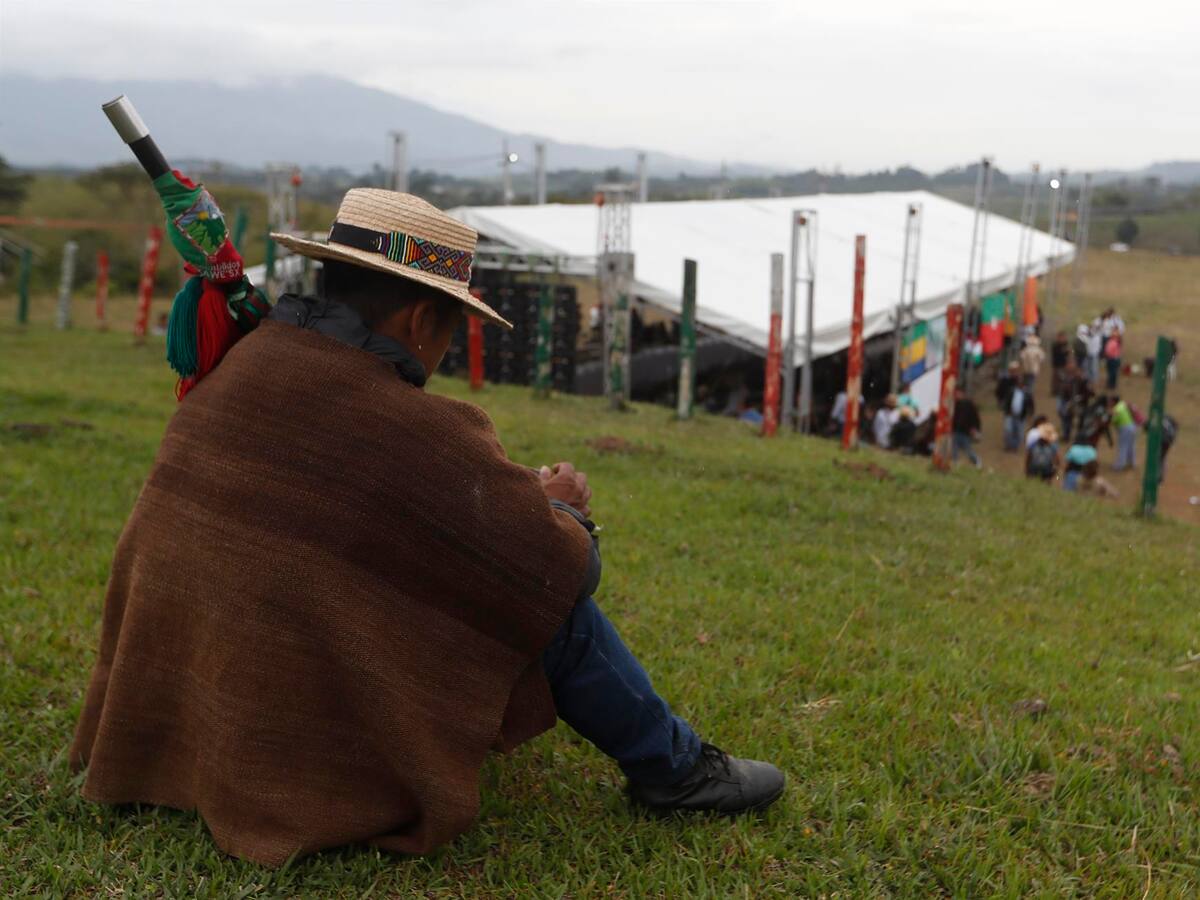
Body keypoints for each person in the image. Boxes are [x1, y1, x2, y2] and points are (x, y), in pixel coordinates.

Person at [70, 190, 784, 868]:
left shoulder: (242, 365)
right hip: (288, 743)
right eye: (451, 323)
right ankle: (676, 769)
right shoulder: (416, 428)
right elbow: (556, 573)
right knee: (543, 599)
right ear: (420, 321)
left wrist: (501, 509)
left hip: (179, 725)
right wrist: (561, 511)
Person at [1000, 372, 1033, 452]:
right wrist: (1006, 410)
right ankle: (1009, 445)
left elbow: (1031, 405)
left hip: (1021, 416)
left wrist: (1030, 414)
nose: (1020, 383)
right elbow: (1007, 401)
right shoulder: (1011, 391)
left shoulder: (1027, 393)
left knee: (1019, 432)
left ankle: (1015, 446)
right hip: (1010, 414)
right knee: (1008, 430)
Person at [951, 387, 982, 467]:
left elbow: (976, 418)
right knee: (954, 449)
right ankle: (955, 464)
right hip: (955, 431)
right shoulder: (954, 404)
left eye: (958, 393)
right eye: (955, 393)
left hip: (966, 432)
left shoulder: (969, 404)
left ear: (962, 393)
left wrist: (975, 429)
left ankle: (977, 461)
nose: (957, 395)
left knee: (968, 450)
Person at [1111, 394, 1139, 471]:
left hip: (1125, 428)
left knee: (1123, 446)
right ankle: (1132, 462)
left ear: (1113, 401)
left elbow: (1114, 421)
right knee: (1131, 445)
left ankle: (1120, 465)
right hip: (1133, 426)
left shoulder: (1116, 409)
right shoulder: (1123, 404)